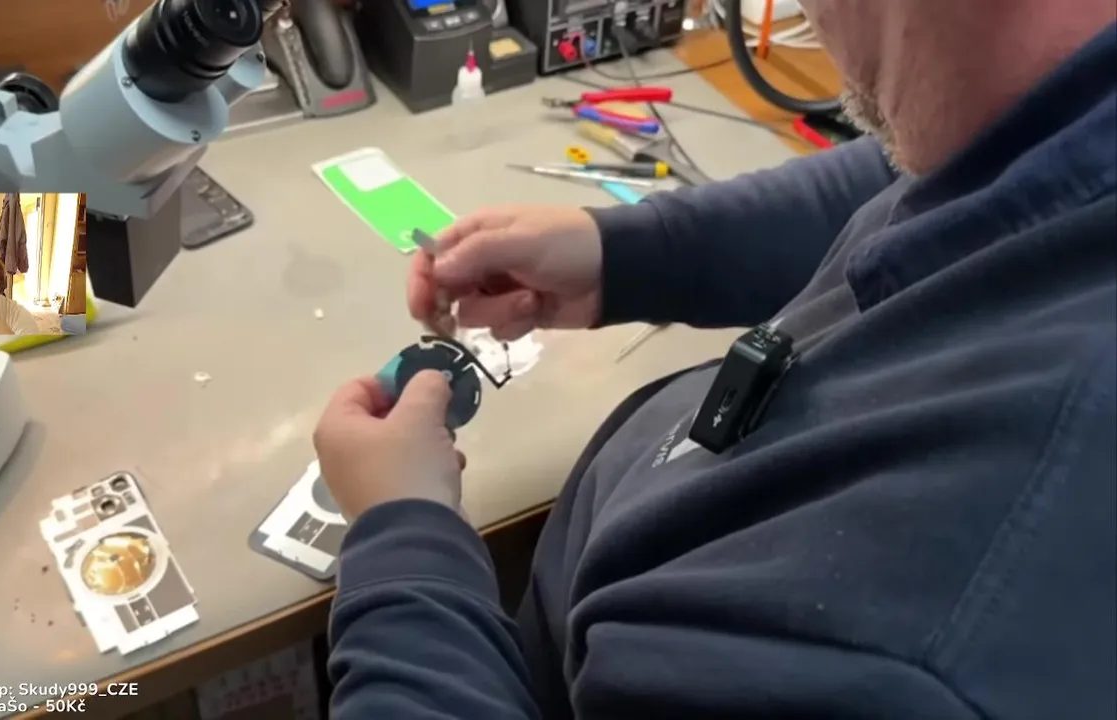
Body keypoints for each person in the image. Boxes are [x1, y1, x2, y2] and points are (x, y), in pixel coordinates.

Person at [313, 3, 1115, 719]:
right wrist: (624, 254)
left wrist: (402, 539)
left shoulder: (897, 655)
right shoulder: (1044, 109)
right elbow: (930, 158)